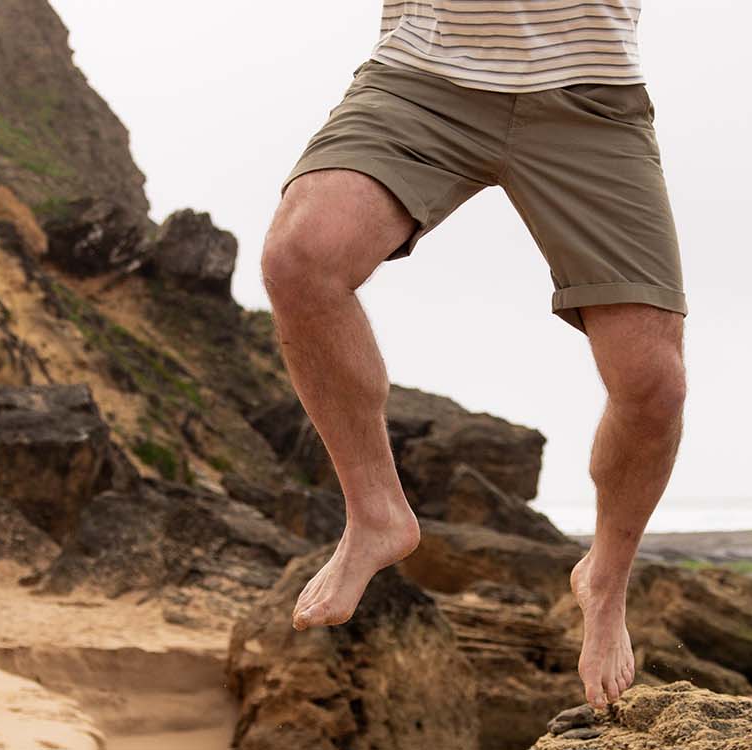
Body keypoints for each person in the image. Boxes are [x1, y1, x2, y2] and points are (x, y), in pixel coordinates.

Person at [264, 0, 684, 710]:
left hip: (590, 94)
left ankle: (605, 581)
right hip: (421, 78)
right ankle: (376, 515)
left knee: (653, 383)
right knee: (301, 257)